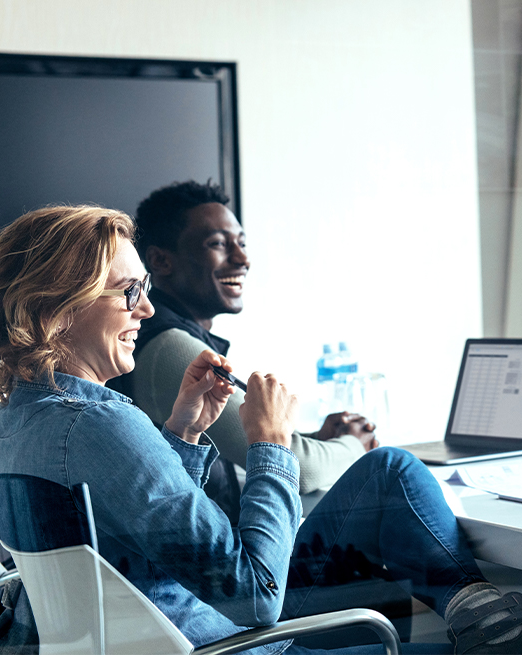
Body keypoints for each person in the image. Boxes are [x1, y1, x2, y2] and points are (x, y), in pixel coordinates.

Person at [0, 206, 522, 655]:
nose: (147, 307)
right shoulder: (100, 422)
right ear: (59, 303)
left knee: (389, 472)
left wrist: (185, 433)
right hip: (232, 637)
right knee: (392, 478)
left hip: (169, 621)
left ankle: (498, 627)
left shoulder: (19, 419)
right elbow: (255, 598)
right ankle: (500, 633)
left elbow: (137, 543)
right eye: (127, 290)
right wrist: (273, 443)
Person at [107, 181, 377, 520]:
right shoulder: (169, 347)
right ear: (161, 260)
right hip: (224, 563)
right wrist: (355, 444)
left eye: (242, 243)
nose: (243, 259)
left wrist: (315, 438)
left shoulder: (174, 337)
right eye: (218, 244)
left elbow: (257, 443)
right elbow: (300, 470)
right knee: (392, 467)